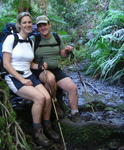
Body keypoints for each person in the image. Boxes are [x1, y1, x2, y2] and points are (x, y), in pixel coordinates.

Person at [2, 12, 60, 147]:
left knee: (47, 97)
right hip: (15, 77)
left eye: (29, 22)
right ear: (19, 25)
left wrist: (40, 66)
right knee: (39, 98)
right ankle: (37, 132)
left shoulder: (30, 41)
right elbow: (6, 64)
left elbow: (29, 64)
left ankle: (48, 127)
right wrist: (21, 79)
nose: (27, 25)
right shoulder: (11, 39)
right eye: (24, 22)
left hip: (29, 75)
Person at [31, 15, 81, 123]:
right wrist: (38, 65)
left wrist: (67, 51)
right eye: (40, 26)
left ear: (49, 25)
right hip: (39, 70)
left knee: (72, 88)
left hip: (55, 69)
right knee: (51, 79)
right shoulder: (33, 39)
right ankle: (55, 103)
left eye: (44, 24)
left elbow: (63, 55)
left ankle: (75, 114)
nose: (43, 28)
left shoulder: (56, 37)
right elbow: (27, 60)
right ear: (37, 28)